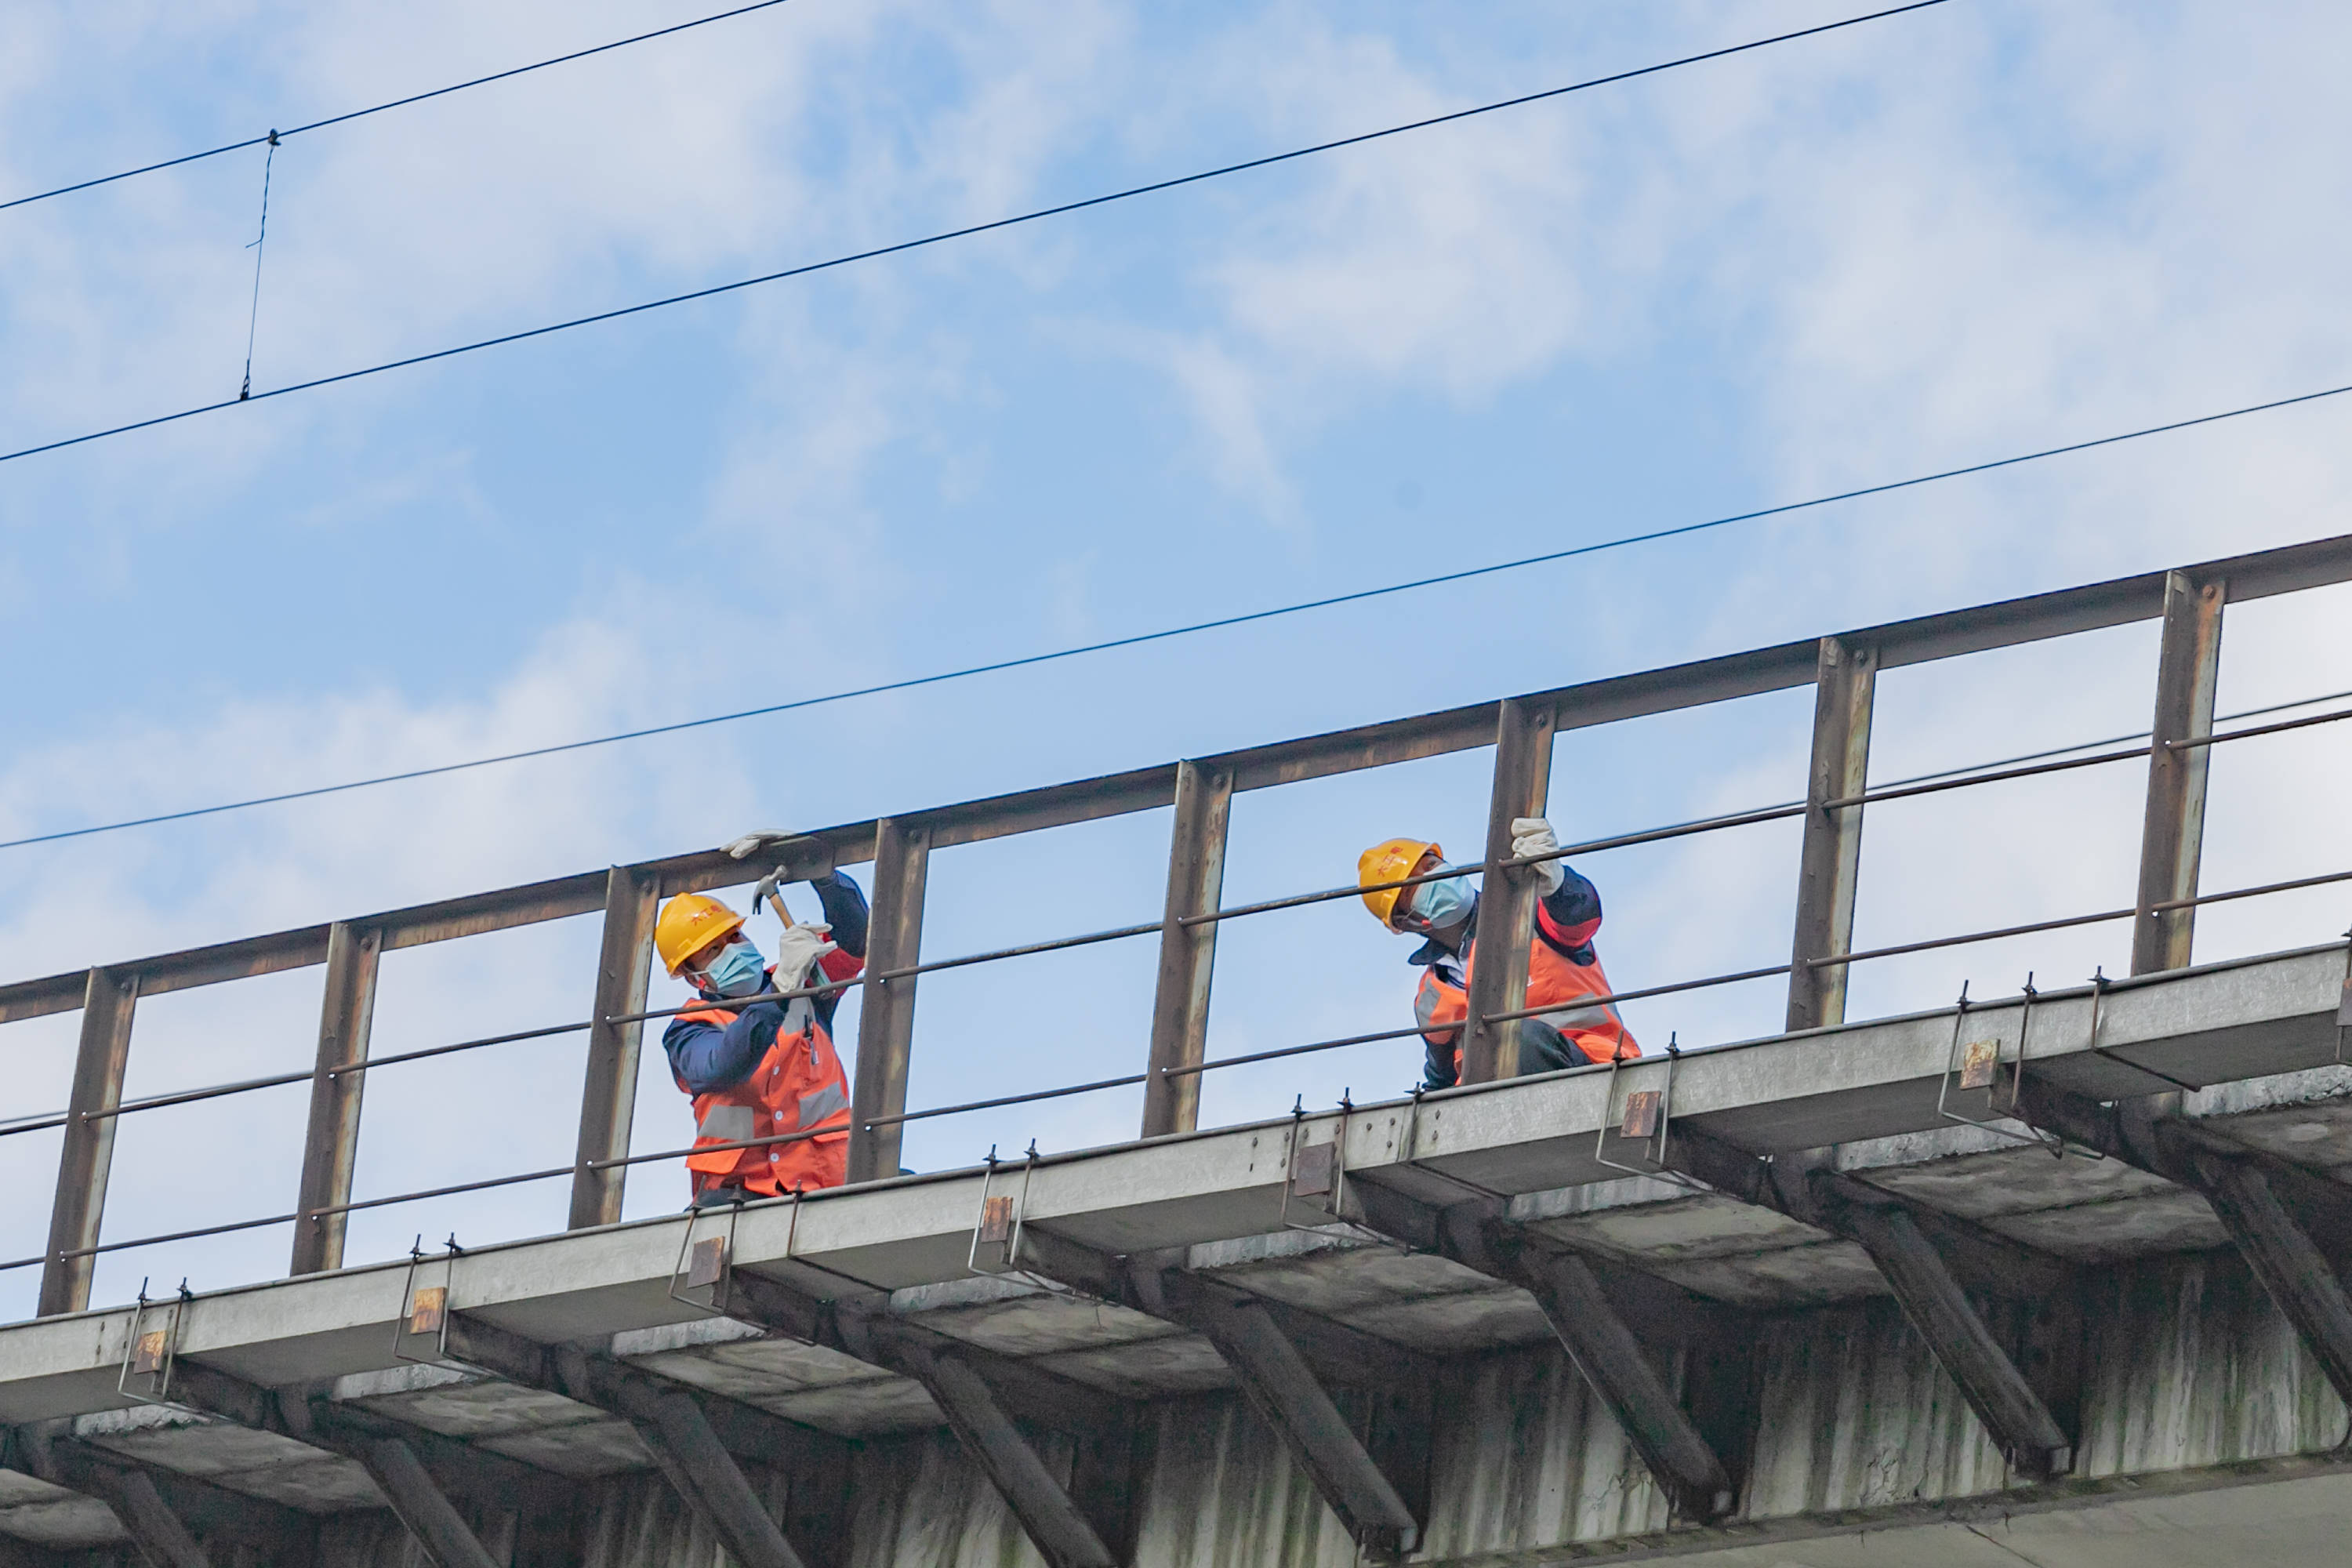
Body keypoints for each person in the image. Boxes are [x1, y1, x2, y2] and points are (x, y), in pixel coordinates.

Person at [1358, 816, 1636, 1090]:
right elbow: (1439, 1080)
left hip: (1592, 1070)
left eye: (1431, 866)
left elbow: (1580, 916)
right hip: (1494, 1108)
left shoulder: (1528, 914)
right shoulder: (1430, 998)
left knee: (1514, 1038)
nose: (1432, 879)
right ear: (1403, 923)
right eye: (1412, 889)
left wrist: (1558, 882)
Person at [653, 864, 869, 1206]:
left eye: (734, 937)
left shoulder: (807, 982)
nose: (733, 951)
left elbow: (856, 939)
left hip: (827, 1181)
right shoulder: (688, 1030)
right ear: (695, 978)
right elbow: (721, 1065)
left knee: (906, 1190)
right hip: (739, 1196)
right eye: (714, 951)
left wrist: (823, 873)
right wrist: (781, 989)